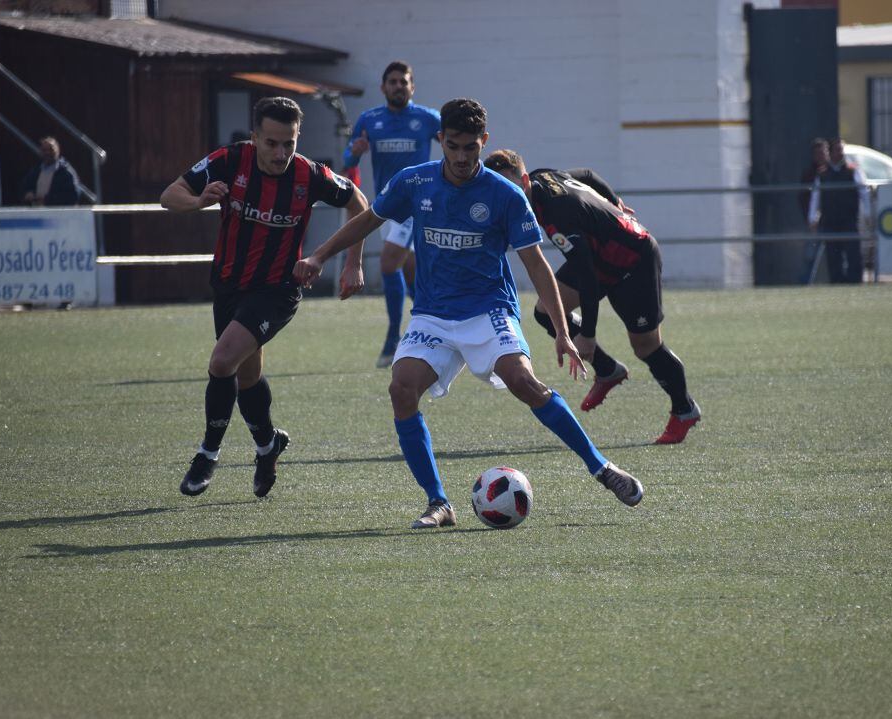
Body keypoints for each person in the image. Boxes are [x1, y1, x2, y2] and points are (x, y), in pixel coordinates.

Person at [294, 98, 643, 529]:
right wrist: (321, 255)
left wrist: (561, 331)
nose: (461, 158)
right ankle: (439, 503)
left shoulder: (505, 195)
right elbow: (368, 220)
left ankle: (601, 467)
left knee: (523, 381)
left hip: (488, 310)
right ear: (441, 140)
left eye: (470, 149)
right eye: (453, 147)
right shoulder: (415, 181)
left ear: (484, 143)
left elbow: (536, 263)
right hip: (433, 315)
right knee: (401, 389)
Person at [160, 96, 368, 498]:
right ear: (255, 137)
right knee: (246, 375)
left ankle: (207, 454)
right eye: (271, 143)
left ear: (298, 138)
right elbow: (170, 195)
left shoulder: (310, 175)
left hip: (278, 289)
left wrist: (351, 263)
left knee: (222, 361)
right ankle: (268, 445)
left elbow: (358, 202)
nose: (281, 153)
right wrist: (198, 201)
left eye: (289, 143)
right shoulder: (228, 160)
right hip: (228, 285)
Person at [484, 150, 700, 445]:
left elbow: (587, 274)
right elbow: (586, 174)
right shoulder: (541, 179)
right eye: (496, 190)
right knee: (546, 310)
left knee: (646, 346)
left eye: (508, 188)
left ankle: (684, 409)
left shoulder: (556, 213)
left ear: (523, 181)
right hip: (599, 258)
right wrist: (614, 201)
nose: (503, 198)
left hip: (633, 260)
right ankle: (608, 370)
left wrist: (587, 334)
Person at [342, 61, 441, 368]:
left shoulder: (427, 119)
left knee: (387, 264)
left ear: (412, 87)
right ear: (384, 87)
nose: (399, 86)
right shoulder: (369, 120)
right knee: (411, 276)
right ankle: (438, 329)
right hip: (386, 205)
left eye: (404, 82)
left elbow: (456, 145)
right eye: (393, 81)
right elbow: (347, 158)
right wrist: (357, 150)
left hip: (416, 205)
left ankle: (393, 337)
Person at [807, 137, 869, 284]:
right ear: (831, 152)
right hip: (830, 220)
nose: (840, 153)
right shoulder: (822, 174)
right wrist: (812, 218)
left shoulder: (853, 171)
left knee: (853, 253)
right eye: (838, 150)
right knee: (833, 256)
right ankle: (837, 283)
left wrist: (868, 214)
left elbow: (864, 193)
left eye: (842, 150)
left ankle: (855, 282)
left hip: (849, 219)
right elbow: (815, 197)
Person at [800, 138, 829, 284]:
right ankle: (806, 282)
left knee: (837, 253)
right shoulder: (809, 174)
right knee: (810, 255)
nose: (821, 156)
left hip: (832, 220)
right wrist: (811, 219)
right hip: (815, 223)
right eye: (817, 153)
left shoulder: (833, 173)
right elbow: (805, 199)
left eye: (823, 152)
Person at [21, 136, 79, 206]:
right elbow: (23, 188)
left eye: (51, 149)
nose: (47, 153)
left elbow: (73, 196)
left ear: (58, 150)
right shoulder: (35, 171)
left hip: (59, 214)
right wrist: (28, 194)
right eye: (44, 150)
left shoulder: (66, 172)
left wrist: (46, 199)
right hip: (37, 212)